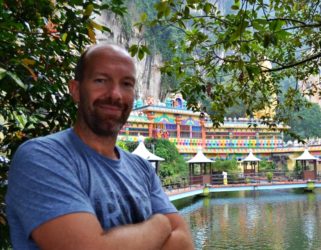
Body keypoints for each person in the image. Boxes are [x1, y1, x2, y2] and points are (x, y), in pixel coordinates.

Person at [6, 44, 194, 249]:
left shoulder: (142, 169)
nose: (115, 94)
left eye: (126, 84)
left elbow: (183, 242)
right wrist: (160, 225)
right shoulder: (42, 158)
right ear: (76, 90)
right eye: (101, 81)